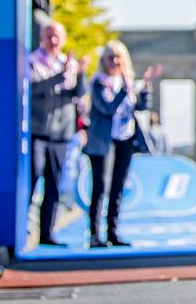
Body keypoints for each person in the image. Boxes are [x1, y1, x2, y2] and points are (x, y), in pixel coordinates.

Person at [86, 40, 162, 248]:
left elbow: (140, 107)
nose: (115, 61)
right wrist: (125, 90)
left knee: (118, 187)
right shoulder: (99, 82)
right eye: (110, 57)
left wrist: (145, 89)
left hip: (126, 139)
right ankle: (94, 233)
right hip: (103, 141)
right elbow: (107, 108)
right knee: (101, 186)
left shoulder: (127, 82)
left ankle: (113, 231)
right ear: (104, 61)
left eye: (118, 57)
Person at [27, 21, 88, 247]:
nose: (53, 41)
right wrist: (58, 78)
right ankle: (22, 228)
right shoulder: (32, 61)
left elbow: (79, 95)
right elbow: (32, 89)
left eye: (57, 37)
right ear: (42, 38)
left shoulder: (69, 63)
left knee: (54, 183)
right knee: (33, 177)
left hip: (62, 133)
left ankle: (47, 232)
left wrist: (79, 74)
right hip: (38, 131)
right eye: (49, 36)